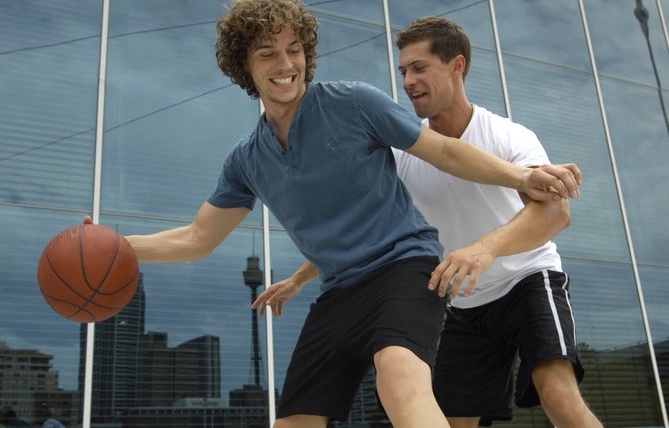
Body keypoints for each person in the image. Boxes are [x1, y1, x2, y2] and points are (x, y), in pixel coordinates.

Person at [94, 1, 580, 426]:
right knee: (295, 419)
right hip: (339, 291)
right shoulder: (246, 159)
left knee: (399, 374)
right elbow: (198, 238)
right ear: (245, 68)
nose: (286, 64)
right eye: (268, 54)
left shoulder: (353, 103)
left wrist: (521, 178)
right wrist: (113, 247)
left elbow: (445, 152)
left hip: (405, 270)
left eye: (294, 50)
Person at [255, 15, 600, 428]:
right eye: (403, 71)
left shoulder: (508, 136)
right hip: (461, 300)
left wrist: (484, 248)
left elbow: (554, 214)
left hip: (526, 279)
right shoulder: (405, 154)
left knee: (556, 390)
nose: (407, 81)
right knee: (449, 419)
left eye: (419, 68)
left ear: (457, 65)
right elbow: (371, 228)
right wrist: (299, 278)